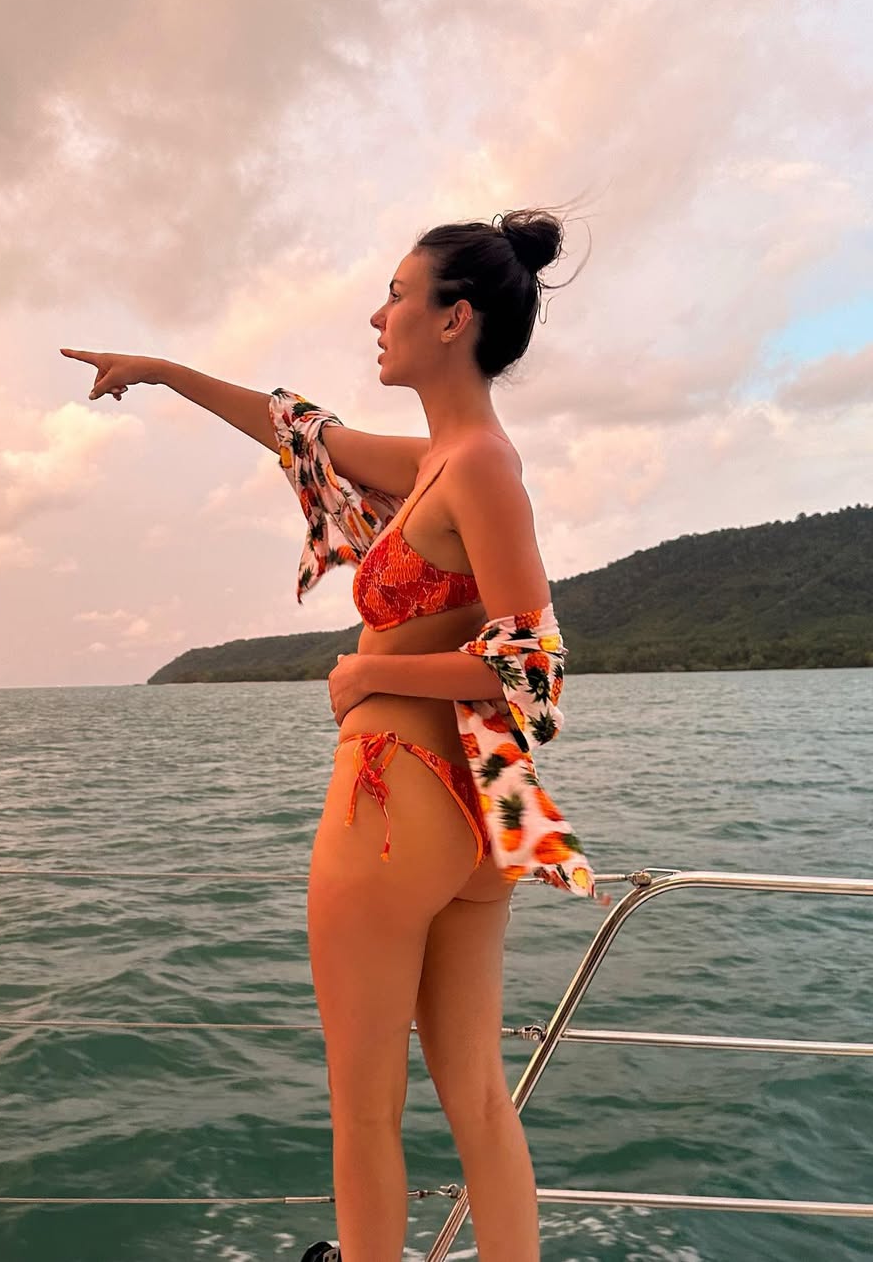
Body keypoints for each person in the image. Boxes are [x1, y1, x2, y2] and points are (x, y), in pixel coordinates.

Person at [61, 207, 597, 1262]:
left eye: (396, 295)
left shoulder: (478, 465)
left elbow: (532, 659)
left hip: (394, 800)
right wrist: (164, 371)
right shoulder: (440, 459)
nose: (377, 316)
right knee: (478, 1097)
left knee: (364, 1109)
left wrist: (369, 670)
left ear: (454, 318)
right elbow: (301, 431)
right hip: (471, 817)